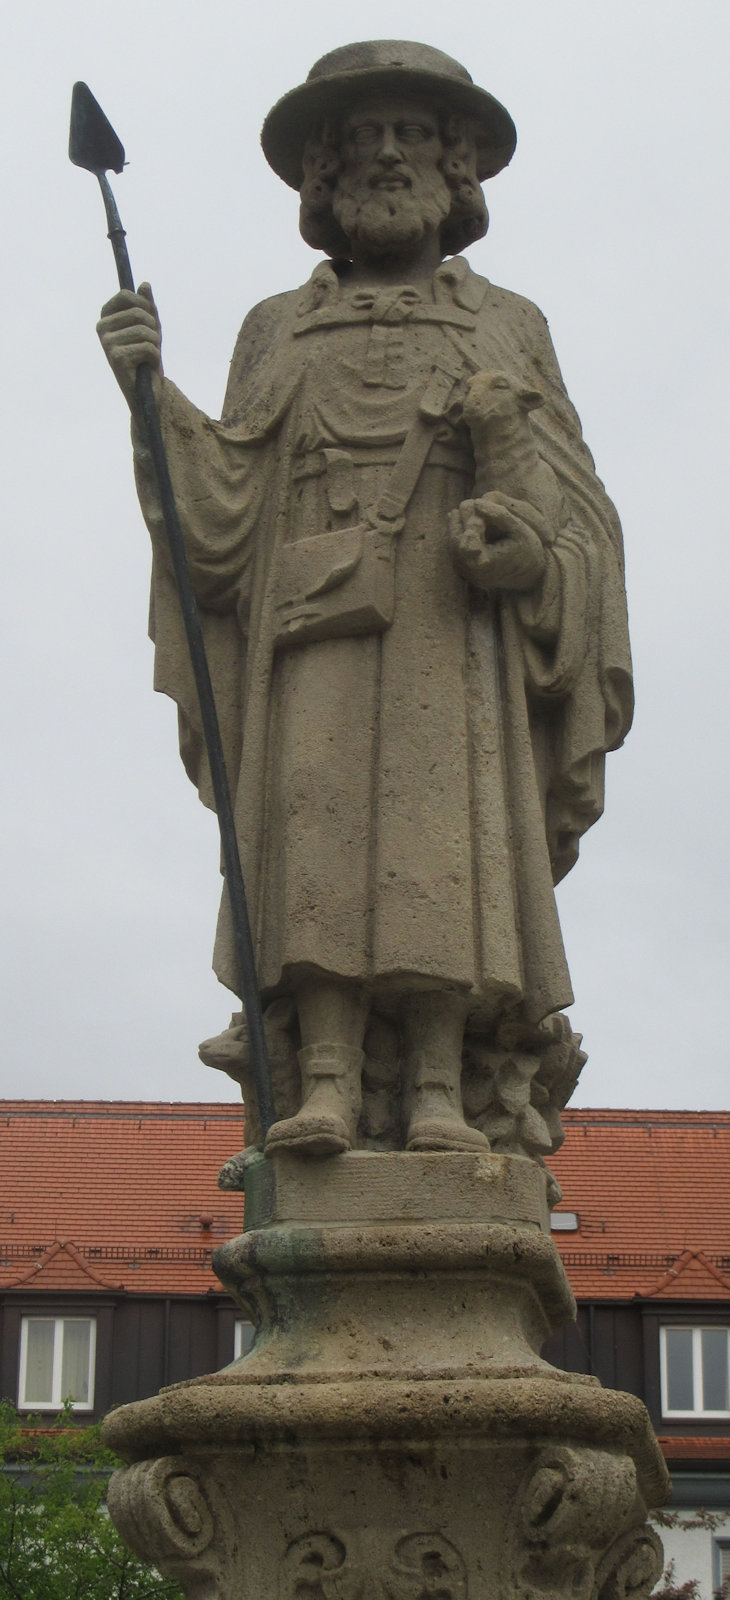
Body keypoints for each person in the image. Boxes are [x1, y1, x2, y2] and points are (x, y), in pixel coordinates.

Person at [97, 41, 632, 1159]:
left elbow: (575, 510)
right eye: (361, 142)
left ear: (456, 171)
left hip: (451, 634)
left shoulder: (507, 324)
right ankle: (326, 1078)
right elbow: (227, 501)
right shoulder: (274, 329)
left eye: (412, 138)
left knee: (443, 844)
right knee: (317, 840)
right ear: (324, 179)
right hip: (314, 637)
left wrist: (527, 556)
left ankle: (438, 1085)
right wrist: (149, 391)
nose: (386, 157)